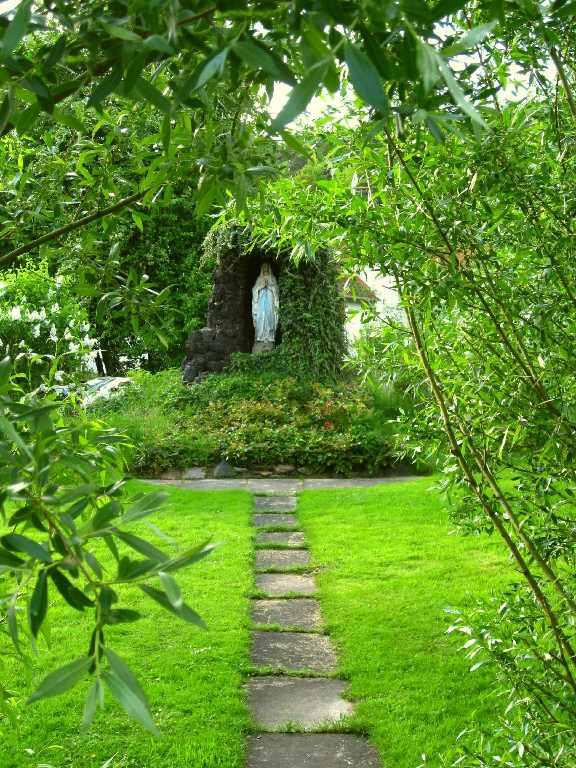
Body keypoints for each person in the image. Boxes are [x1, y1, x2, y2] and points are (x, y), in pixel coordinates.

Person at [252, 263, 279, 352]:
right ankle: (260, 336)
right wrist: (261, 286)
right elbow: (254, 290)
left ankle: (269, 337)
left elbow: (276, 291)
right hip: (260, 303)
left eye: (267, 267)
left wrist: (270, 287)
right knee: (261, 317)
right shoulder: (259, 279)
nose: (265, 269)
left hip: (270, 302)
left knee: (269, 317)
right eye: (263, 268)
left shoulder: (272, 278)